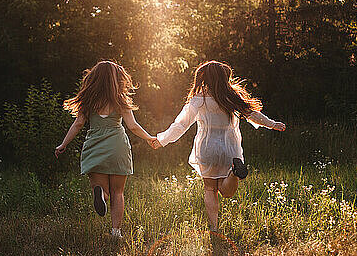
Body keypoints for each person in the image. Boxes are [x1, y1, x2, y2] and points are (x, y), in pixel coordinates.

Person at [151, 61, 285, 231]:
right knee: (227, 192)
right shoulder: (231, 97)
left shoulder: (199, 99)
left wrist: (162, 139)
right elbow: (252, 114)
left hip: (207, 148)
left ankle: (214, 228)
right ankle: (234, 174)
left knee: (210, 188)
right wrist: (272, 124)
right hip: (230, 148)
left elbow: (181, 125)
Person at [55, 61, 156, 238]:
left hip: (95, 145)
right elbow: (132, 126)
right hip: (117, 145)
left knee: (103, 189)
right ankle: (116, 232)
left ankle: (101, 193)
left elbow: (78, 124)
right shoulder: (120, 99)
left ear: (95, 77)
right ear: (115, 79)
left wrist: (63, 144)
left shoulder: (88, 101)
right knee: (118, 192)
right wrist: (149, 138)